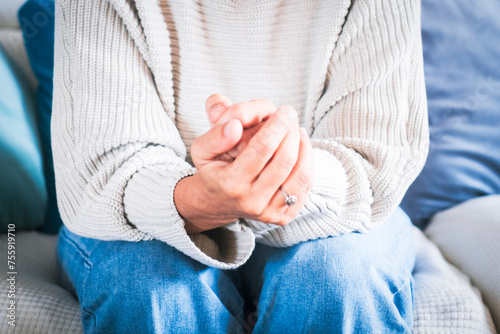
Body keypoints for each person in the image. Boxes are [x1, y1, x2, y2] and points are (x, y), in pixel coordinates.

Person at [53, 0, 429, 333]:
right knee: (147, 285)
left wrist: (270, 171)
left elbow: (374, 162)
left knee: (338, 278)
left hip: (329, 205)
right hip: (140, 213)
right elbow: (104, 169)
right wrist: (201, 198)